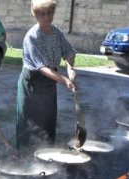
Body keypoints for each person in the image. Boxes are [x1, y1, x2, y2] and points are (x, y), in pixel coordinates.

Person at [16, 0, 76, 152]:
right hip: (32, 83)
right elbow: (41, 67)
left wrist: (70, 62)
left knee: (47, 122)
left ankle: (46, 155)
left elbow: (68, 51)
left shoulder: (56, 32)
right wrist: (64, 79)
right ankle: (24, 159)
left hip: (49, 83)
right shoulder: (32, 36)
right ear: (35, 15)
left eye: (50, 12)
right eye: (42, 13)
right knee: (29, 124)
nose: (47, 16)